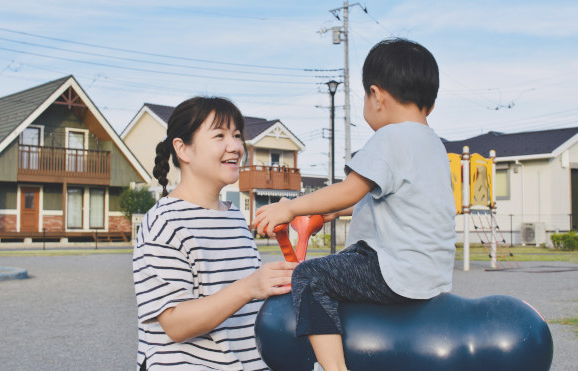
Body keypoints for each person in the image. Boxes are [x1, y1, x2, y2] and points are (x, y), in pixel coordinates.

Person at [252, 38, 457, 371]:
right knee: (339, 262)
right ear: (429, 106)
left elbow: (350, 189)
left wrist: (290, 208)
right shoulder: (433, 145)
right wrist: (334, 211)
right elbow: (391, 200)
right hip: (430, 273)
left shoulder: (390, 137)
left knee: (310, 275)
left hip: (394, 269)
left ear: (376, 96)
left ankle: (333, 368)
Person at [133, 97, 297, 370]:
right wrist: (250, 287)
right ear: (183, 149)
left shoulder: (233, 216)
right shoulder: (164, 223)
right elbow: (175, 324)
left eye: (236, 136)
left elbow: (246, 304)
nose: (235, 146)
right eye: (219, 135)